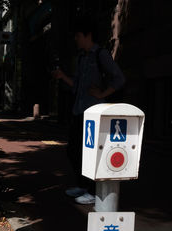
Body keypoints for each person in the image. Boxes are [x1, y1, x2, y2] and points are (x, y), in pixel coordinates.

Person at [52, 17, 125, 204]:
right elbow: (77, 86)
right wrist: (62, 77)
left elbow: (119, 78)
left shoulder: (101, 54)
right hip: (79, 111)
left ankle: (93, 191)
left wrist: (102, 94)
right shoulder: (82, 57)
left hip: (95, 114)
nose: (75, 39)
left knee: (91, 153)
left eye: (78, 35)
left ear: (87, 35)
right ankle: (83, 186)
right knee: (74, 151)